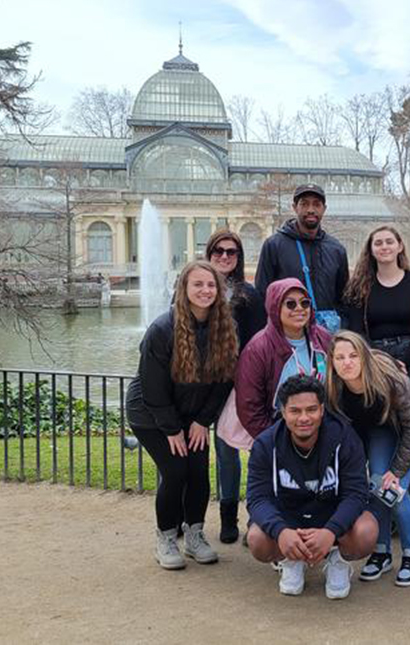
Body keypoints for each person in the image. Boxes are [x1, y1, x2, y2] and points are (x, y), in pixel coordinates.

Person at [126, 261, 237, 570]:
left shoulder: (225, 328)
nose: (205, 290)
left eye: (211, 285)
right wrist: (172, 428)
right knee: (176, 471)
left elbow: (225, 380)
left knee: (199, 471)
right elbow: (153, 385)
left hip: (193, 413)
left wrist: (203, 421)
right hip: (151, 413)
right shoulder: (162, 329)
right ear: (183, 290)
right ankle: (165, 537)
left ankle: (195, 535)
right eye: (197, 284)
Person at [325, 331, 410, 587]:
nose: (347, 362)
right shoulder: (334, 388)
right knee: (378, 488)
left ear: (364, 356)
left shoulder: (389, 380)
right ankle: (382, 552)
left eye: (353, 355)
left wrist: (397, 471)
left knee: (393, 490)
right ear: (331, 361)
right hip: (379, 431)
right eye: (340, 357)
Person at [245, 375, 378, 599]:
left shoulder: (344, 437)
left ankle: (338, 560)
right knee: (257, 538)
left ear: (322, 410)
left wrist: (330, 531)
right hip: (289, 522)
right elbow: (257, 498)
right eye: (295, 411)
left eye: (311, 409)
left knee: (366, 530)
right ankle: (291, 559)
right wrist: (281, 532)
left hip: (332, 521)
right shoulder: (266, 444)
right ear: (283, 412)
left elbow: (356, 494)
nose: (304, 418)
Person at [343, 225, 410, 526]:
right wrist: (379, 362)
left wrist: (404, 363)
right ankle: (390, 498)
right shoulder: (360, 286)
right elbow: (357, 333)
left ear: (399, 247)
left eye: (389, 242)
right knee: (381, 423)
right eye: (377, 243)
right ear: (370, 250)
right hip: (373, 361)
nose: (383, 247)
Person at [204, 228, 267, 544]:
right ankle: (227, 516)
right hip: (207, 384)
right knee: (224, 451)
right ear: (209, 254)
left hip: (241, 383)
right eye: (219, 251)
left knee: (256, 450)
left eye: (232, 252)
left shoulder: (249, 294)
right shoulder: (200, 289)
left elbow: (257, 342)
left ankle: (258, 516)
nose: (225, 257)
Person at [236, 278, 331, 441]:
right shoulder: (257, 349)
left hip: (322, 432)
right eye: (290, 304)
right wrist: (274, 442)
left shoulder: (323, 338)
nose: (299, 309)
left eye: (305, 303)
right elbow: (249, 408)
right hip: (279, 433)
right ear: (275, 307)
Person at [254, 183, 348, 334]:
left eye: (316, 204)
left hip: (327, 335)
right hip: (287, 334)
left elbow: (343, 298)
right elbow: (262, 294)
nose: (311, 210)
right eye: (304, 204)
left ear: (324, 209)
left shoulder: (336, 250)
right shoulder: (274, 245)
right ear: (294, 207)